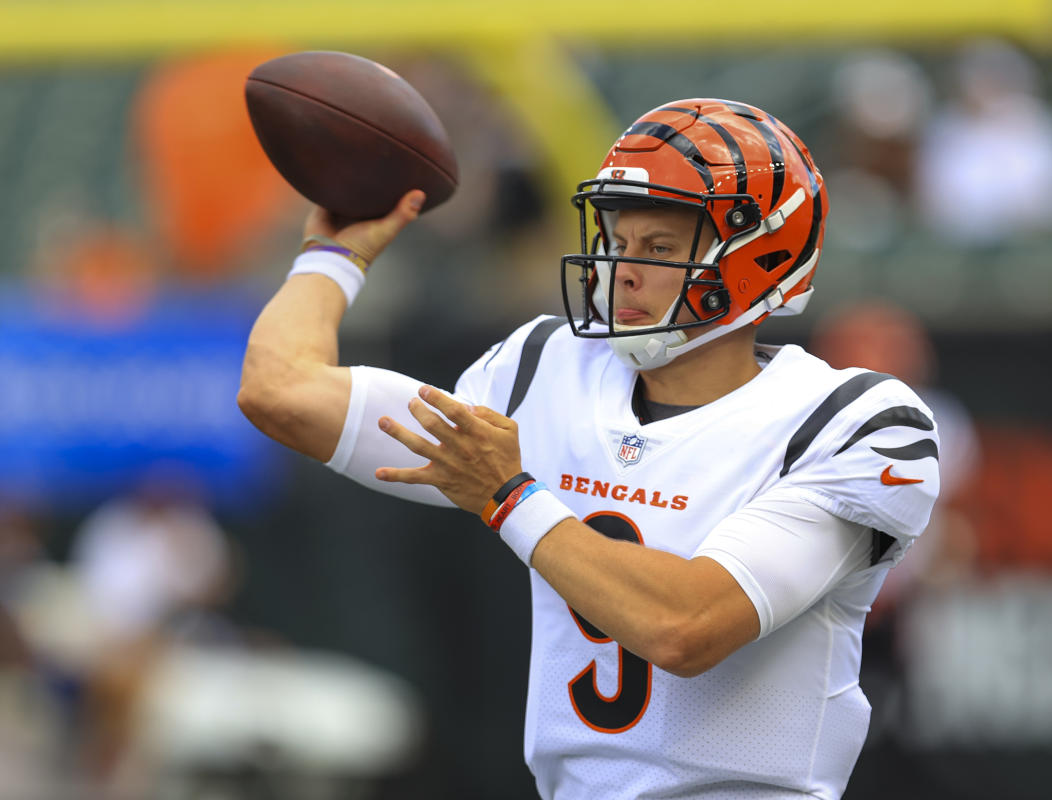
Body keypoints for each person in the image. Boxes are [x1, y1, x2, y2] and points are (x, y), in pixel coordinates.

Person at [238, 98, 941, 799]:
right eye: (617, 240)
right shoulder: (549, 368)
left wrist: (510, 498)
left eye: (660, 248)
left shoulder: (853, 421)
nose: (623, 270)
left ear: (764, 254)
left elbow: (685, 628)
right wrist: (332, 257)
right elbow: (281, 391)